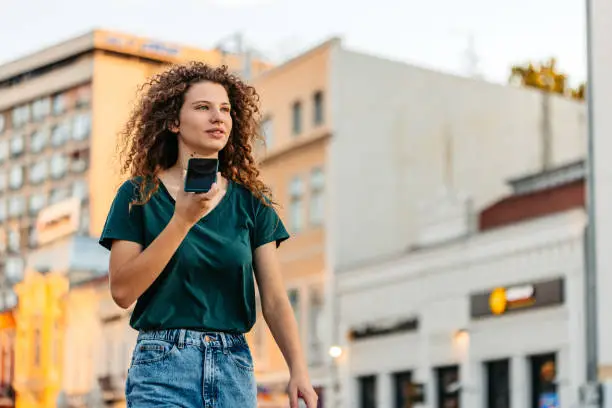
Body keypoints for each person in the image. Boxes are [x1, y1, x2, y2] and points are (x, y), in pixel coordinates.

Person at [98, 61, 318, 408]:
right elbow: (122, 292)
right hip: (162, 368)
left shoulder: (251, 203)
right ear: (173, 121)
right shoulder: (137, 195)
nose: (218, 117)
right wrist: (181, 220)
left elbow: (274, 299)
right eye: (203, 107)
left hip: (233, 367)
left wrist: (299, 370)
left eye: (225, 109)